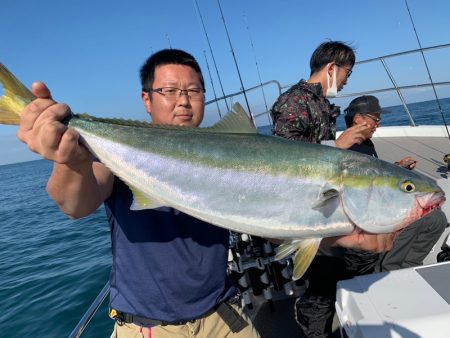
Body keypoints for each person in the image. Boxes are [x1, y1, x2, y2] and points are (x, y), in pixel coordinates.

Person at [17, 49, 260, 338]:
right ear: (147, 99)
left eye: (193, 90)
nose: (183, 100)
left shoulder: (230, 154)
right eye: (169, 90)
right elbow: (74, 204)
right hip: (149, 327)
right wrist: (71, 161)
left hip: (224, 314)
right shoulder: (122, 153)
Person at [270, 41, 401, 338]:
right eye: (347, 74)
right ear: (332, 68)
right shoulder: (294, 101)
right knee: (325, 270)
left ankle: (339, 310)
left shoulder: (319, 102)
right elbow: (281, 157)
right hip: (305, 205)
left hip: (324, 197)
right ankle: (312, 319)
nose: (345, 82)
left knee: (340, 264)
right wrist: (337, 146)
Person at [343, 95, 448, 273]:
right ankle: (389, 267)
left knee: (436, 217)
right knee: (430, 217)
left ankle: (409, 266)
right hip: (369, 218)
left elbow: (374, 177)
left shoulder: (366, 144)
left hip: (381, 208)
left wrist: (399, 167)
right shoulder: (349, 150)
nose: (379, 124)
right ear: (358, 119)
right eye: (375, 119)